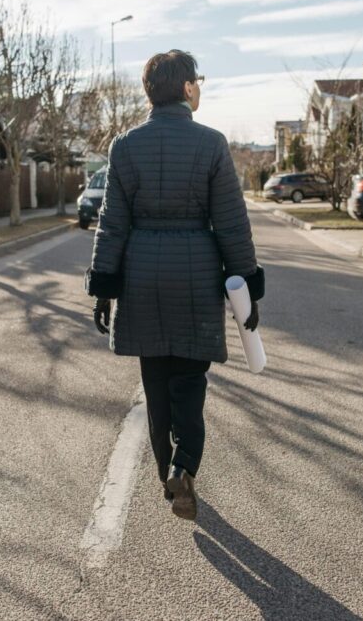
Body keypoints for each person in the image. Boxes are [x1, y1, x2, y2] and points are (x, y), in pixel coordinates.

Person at [84, 50, 264, 521]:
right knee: (189, 382)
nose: (199, 88)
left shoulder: (124, 146)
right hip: (194, 279)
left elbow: (112, 224)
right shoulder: (211, 144)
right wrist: (247, 286)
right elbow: (231, 222)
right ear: (186, 88)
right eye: (197, 81)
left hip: (141, 278)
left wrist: (104, 286)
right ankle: (185, 466)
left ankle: (168, 473)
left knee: (155, 386)